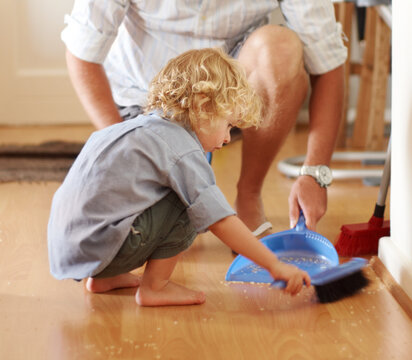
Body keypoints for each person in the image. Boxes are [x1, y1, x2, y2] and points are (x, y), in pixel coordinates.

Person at [48, 48, 311, 306]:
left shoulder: (139, 128)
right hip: (98, 245)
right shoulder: (180, 147)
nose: (228, 138)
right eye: (228, 124)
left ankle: (105, 278)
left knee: (160, 195)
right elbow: (220, 220)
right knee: (188, 200)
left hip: (73, 249)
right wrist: (274, 265)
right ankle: (155, 287)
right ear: (203, 106)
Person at [61, 0, 347, 234]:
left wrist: (315, 173)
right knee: (156, 229)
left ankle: (248, 194)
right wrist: (121, 151)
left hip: (229, 103)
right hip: (144, 102)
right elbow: (82, 53)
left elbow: (328, 63)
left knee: (281, 46)